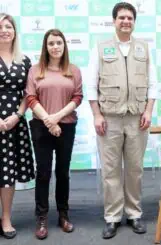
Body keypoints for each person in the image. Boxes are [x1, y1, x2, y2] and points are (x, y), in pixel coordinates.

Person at [87, 2, 157, 239]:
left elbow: (153, 84)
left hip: (137, 118)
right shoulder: (101, 48)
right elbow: (90, 85)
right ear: (114, 21)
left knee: (135, 169)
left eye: (130, 18)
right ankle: (112, 217)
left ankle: (134, 213)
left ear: (134, 22)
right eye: (121, 18)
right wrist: (97, 114)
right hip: (110, 119)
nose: (126, 21)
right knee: (111, 170)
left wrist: (148, 111)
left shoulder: (144, 49)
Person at [25, 29, 83, 239]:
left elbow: (77, 97)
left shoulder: (73, 70)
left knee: (63, 172)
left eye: (59, 43)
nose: (55, 47)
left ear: (64, 45)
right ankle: (41, 218)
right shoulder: (35, 70)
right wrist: (49, 122)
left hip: (66, 125)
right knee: (43, 173)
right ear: (46, 46)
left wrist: (56, 117)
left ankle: (63, 215)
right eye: (51, 43)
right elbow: (31, 99)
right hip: (41, 126)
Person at [0, 13, 35, 239]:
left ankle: (6, 218)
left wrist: (17, 115)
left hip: (14, 124)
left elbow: (28, 93)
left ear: (14, 31)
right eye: (0, 27)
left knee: (7, 173)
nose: (4, 30)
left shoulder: (25, 60)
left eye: (8, 26)